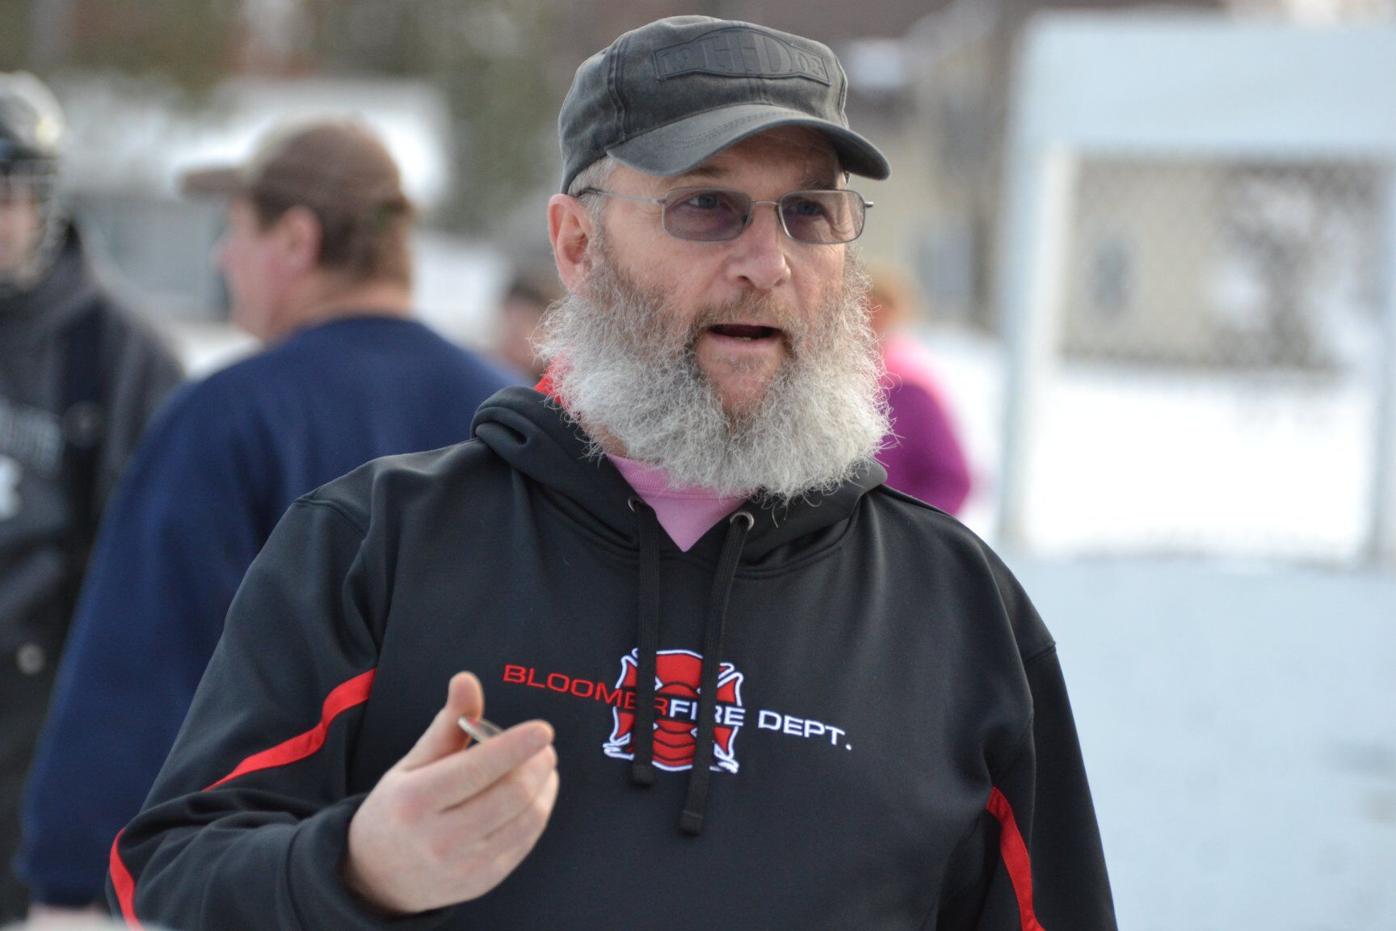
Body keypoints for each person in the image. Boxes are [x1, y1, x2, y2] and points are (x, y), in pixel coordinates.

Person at [111, 18, 1117, 929]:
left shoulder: (959, 613)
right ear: (576, 243)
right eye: (707, 207)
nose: (768, 261)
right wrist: (356, 867)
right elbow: (171, 875)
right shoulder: (377, 544)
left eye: (809, 213)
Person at [17, 118, 519, 920]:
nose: (221, 257)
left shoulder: (227, 416)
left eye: (235, 231)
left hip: (271, 879)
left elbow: (142, 662)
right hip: (479, 871)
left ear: (295, 238)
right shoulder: (509, 416)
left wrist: (71, 875)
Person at [0, 72, 183, 922]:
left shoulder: (118, 351)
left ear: (42, 202)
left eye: (4, 195)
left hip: (47, 720)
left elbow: (158, 575)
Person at [869, 260, 973, 513]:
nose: (873, 316)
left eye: (883, 308)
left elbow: (951, 479)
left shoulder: (912, 390)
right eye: (865, 306)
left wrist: (908, 527)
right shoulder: (826, 379)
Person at [490, 267, 560, 380]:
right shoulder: (484, 373)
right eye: (510, 321)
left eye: (527, 321)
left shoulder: (558, 388)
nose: (515, 333)